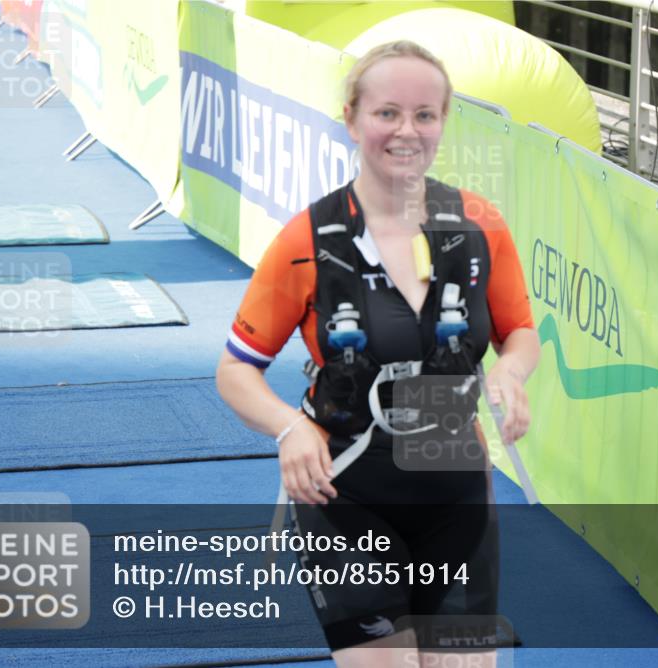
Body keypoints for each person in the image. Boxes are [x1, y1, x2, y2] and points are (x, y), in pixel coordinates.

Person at [217, 40, 540, 667]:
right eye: (387, 112)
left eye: (425, 114)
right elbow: (235, 369)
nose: (406, 131)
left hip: (455, 494)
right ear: (352, 118)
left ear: (443, 121)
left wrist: (511, 370)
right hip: (345, 493)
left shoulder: (481, 225)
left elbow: (520, 332)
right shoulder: (306, 239)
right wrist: (288, 427)